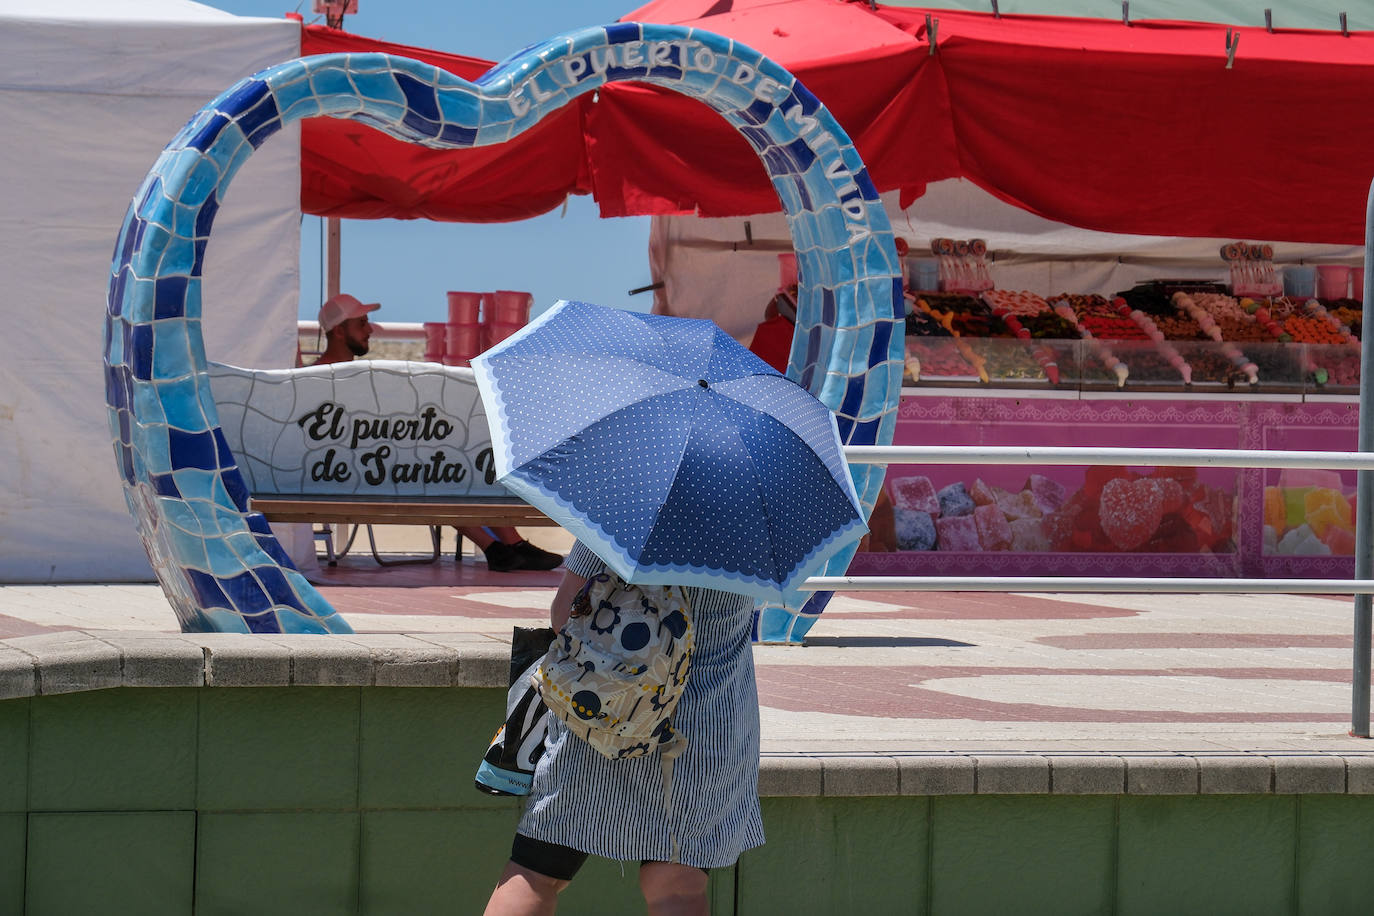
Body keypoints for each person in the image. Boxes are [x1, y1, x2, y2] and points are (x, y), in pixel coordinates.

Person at [484, 540, 764, 915]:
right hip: (700, 728)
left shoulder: (621, 505)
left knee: (538, 867)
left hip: (600, 716)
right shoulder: (752, 528)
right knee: (677, 885)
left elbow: (563, 614)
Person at [313, 294, 563, 572]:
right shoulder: (317, 379)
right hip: (349, 471)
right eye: (361, 324)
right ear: (338, 330)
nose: (370, 330)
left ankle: (506, 547)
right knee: (439, 466)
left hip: (377, 462)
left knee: (452, 460)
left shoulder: (352, 375)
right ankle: (506, 547)